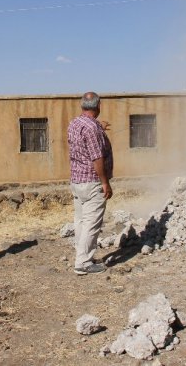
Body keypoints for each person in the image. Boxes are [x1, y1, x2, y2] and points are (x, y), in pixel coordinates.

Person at [67, 92, 114, 275]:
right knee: (91, 223)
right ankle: (83, 263)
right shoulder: (92, 129)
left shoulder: (75, 123)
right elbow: (96, 158)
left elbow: (86, 140)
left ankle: (81, 255)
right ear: (98, 106)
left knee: (80, 221)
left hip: (77, 181)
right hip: (92, 182)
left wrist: (99, 128)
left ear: (82, 106)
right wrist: (105, 183)